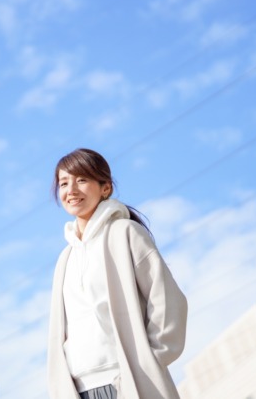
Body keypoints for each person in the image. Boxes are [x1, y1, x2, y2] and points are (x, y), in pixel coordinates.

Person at [46, 148, 188, 399]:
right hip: (78, 389)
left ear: (105, 188)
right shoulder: (65, 260)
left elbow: (167, 301)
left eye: (82, 180)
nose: (71, 190)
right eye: (64, 183)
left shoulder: (126, 233)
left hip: (130, 381)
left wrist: (148, 364)